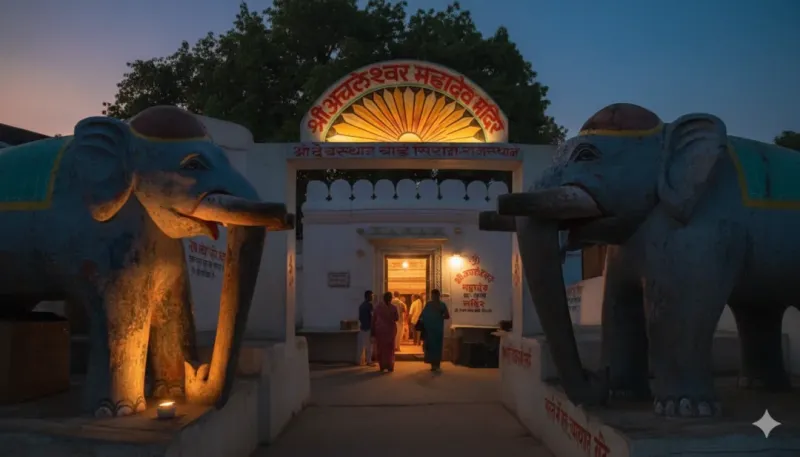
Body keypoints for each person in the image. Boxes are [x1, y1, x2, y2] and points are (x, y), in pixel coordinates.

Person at [419, 289, 450, 372]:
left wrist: (439, 317)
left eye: (434, 296)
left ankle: (437, 364)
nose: (433, 297)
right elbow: (423, 315)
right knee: (431, 347)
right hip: (430, 330)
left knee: (437, 347)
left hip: (437, 330)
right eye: (432, 296)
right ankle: (433, 365)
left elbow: (447, 316)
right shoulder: (429, 304)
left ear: (438, 296)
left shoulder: (441, 305)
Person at [372, 291, 399, 372]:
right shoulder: (393, 308)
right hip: (390, 330)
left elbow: (374, 320)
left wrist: (373, 331)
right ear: (391, 299)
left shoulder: (378, 307)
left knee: (381, 348)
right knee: (390, 348)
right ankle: (390, 365)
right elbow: (396, 318)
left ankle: (382, 366)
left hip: (380, 331)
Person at [357, 290, 375, 366]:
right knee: (369, 345)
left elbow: (360, 318)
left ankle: (360, 361)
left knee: (362, 345)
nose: (372, 297)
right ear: (367, 296)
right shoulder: (369, 305)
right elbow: (372, 317)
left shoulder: (361, 305)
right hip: (368, 327)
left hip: (362, 327)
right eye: (371, 296)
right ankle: (369, 361)